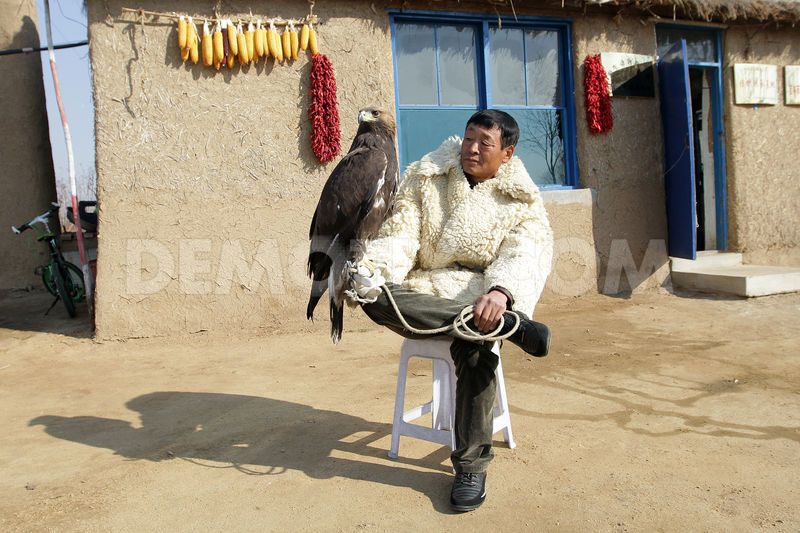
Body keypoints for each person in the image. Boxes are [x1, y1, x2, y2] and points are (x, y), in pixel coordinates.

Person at [357, 109, 554, 512]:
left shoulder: (521, 200)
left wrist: (501, 294)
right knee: (369, 294)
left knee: (478, 344)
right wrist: (374, 268)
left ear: (508, 153)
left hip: (481, 293)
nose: (472, 148)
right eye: (468, 139)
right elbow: (402, 234)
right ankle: (509, 329)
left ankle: (470, 467)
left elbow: (525, 251)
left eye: (485, 142)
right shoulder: (426, 178)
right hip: (424, 291)